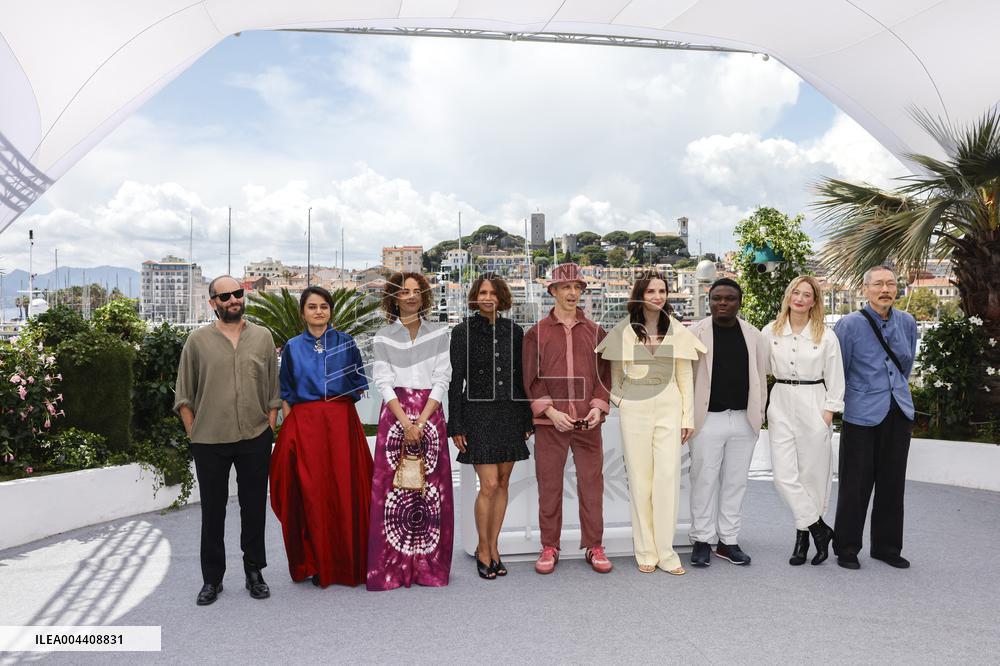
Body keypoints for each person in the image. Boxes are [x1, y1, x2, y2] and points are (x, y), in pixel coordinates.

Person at [174, 275, 281, 606]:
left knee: (253, 509)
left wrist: (270, 425)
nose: (233, 299)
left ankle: (254, 573)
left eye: (238, 293)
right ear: (213, 303)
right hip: (209, 441)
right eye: (225, 296)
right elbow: (184, 393)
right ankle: (212, 579)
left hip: (254, 437)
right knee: (212, 512)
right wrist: (194, 432)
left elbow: (273, 389)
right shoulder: (197, 341)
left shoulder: (262, 337)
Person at [596, 271, 705, 575]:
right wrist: (625, 402)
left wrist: (687, 418)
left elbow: (685, 377)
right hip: (636, 414)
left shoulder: (677, 332)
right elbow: (615, 379)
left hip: (670, 411)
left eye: (662, 291)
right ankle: (645, 550)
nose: (658, 296)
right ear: (640, 296)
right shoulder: (623, 332)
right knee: (641, 481)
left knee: (667, 480)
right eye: (651, 291)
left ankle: (667, 552)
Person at [269, 286, 373, 588]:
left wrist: (335, 412)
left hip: (340, 425)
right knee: (311, 493)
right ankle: (316, 562)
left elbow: (358, 384)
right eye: (312, 306)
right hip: (304, 427)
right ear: (303, 312)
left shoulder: (347, 342)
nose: (318, 311)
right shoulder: (291, 346)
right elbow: (286, 391)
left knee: (344, 489)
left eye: (324, 306)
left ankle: (348, 560)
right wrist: (295, 428)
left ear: (330, 310)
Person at [523, 263, 613, 575]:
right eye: (566, 287)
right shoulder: (536, 334)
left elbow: (604, 377)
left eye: (577, 287)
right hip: (551, 425)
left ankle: (594, 545)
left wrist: (597, 409)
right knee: (549, 487)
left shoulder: (596, 332)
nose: (573, 292)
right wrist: (550, 412)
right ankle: (549, 546)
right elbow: (532, 379)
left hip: (588, 424)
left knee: (592, 485)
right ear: (553, 292)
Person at [367, 271, 453, 590]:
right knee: (396, 492)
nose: (411, 295)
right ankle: (394, 566)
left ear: (424, 296)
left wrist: (422, 419)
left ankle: (427, 565)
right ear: (394, 297)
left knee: (430, 491)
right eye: (404, 291)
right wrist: (406, 422)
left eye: (417, 291)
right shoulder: (383, 336)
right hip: (396, 415)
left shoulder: (440, 333)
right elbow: (382, 380)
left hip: (431, 413)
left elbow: (442, 378)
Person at [448, 273, 533, 580]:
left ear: (501, 298)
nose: (487, 297)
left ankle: (495, 548)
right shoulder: (462, 332)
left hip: (510, 414)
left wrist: (526, 418)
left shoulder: (515, 331)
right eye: (482, 292)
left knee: (504, 483)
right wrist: (455, 423)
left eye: (492, 293)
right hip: (477, 416)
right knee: (490, 485)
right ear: (475, 296)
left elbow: (520, 379)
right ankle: (483, 550)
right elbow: (456, 381)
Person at [833, 265, 917, 570]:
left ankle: (887, 547)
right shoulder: (848, 325)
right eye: (879, 284)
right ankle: (846, 547)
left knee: (893, 483)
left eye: (891, 284)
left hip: (899, 411)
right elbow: (838, 370)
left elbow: (905, 365)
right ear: (865, 289)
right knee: (855, 484)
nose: (886, 289)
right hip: (861, 414)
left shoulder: (907, 322)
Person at [762, 276, 844, 566]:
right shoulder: (770, 331)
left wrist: (828, 412)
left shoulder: (826, 335)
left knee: (813, 476)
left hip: (814, 402)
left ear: (814, 301)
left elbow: (836, 376)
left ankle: (803, 540)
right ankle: (820, 529)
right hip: (781, 401)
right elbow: (760, 368)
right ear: (788, 296)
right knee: (784, 476)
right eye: (795, 292)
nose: (799, 298)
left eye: (806, 294)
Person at [688, 277, 768, 567]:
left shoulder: (754, 335)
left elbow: (760, 377)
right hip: (707, 419)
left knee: (735, 483)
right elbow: (686, 379)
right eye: (717, 298)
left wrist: (759, 415)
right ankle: (701, 539)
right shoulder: (694, 333)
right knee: (703, 480)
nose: (723, 303)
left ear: (739, 302)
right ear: (708, 301)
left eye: (729, 298)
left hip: (744, 421)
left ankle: (728, 541)